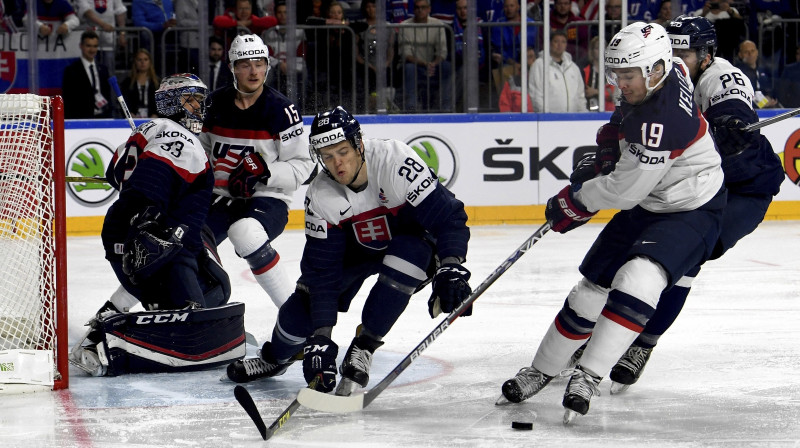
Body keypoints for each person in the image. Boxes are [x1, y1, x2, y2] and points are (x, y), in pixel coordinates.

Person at [498, 22, 727, 423]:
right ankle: (542, 369)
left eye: (628, 75)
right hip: (652, 196)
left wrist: (575, 201)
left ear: (654, 70)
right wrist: (607, 150)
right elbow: (622, 123)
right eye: (616, 74)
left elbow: (623, 193)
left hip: (691, 206)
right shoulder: (671, 67)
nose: (620, 83)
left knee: (638, 279)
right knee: (591, 290)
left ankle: (588, 375)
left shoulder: (661, 122)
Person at [225, 106, 472, 397]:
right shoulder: (320, 196)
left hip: (407, 242)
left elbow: (448, 218)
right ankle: (274, 358)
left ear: (359, 144)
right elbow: (323, 273)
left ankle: (364, 345)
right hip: (352, 254)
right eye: (327, 156)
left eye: (343, 151)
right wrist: (321, 338)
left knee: (410, 256)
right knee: (302, 310)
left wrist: (451, 266)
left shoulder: (396, 161)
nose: (337, 163)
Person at [603, 15, 785, 393]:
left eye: (685, 53)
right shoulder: (659, 76)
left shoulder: (723, 74)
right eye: (673, 51)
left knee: (685, 258)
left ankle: (642, 344)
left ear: (707, 55)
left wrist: (732, 125)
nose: (676, 59)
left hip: (743, 190)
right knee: (628, 252)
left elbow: (733, 105)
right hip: (694, 184)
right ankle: (598, 331)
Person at [69, 74, 240, 377]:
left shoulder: (146, 131)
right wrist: (148, 225)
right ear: (173, 102)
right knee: (214, 290)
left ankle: (98, 334)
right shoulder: (182, 139)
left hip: (125, 234)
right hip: (156, 235)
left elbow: (114, 174)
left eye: (200, 101)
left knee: (170, 298)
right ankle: (113, 342)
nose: (199, 108)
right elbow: (152, 183)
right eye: (192, 100)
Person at [199, 34, 316, 310]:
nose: (254, 71)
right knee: (178, 239)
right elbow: (201, 154)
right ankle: (117, 308)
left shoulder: (281, 110)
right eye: (245, 64)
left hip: (267, 199)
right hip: (218, 199)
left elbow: (305, 165)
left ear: (267, 66)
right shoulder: (213, 104)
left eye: (259, 63)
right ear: (232, 67)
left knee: (246, 232)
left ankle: (294, 321)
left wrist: (264, 172)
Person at [399, 0, 452, 112]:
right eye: (417, 7)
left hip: (434, 65)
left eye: (423, 7)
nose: (420, 10)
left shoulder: (438, 24)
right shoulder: (405, 25)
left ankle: (446, 106)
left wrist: (433, 64)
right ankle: (411, 106)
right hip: (415, 66)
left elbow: (442, 51)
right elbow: (406, 54)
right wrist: (425, 64)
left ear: (429, 9)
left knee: (446, 66)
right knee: (409, 68)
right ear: (413, 10)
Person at [529, 30, 587, 113]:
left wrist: (582, 115)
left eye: (563, 42)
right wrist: (545, 116)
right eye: (556, 41)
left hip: (573, 120)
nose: (560, 45)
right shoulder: (539, 65)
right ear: (549, 44)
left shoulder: (573, 67)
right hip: (549, 120)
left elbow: (580, 95)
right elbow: (536, 95)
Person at [490, 0, 538, 95]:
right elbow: (499, 50)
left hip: (529, 62)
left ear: (518, 7)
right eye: (506, 6)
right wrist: (514, 64)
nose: (509, 9)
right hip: (508, 64)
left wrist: (527, 62)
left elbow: (535, 46)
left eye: (512, 6)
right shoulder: (498, 25)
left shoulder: (531, 24)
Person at [62, 30, 112, 119]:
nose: (92, 50)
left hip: (102, 118)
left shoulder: (103, 69)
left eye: (95, 46)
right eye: (88, 46)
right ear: (81, 46)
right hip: (81, 119)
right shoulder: (71, 70)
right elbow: (69, 100)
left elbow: (107, 94)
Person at [263, 1, 307, 98]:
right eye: (280, 12)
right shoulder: (268, 33)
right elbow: (266, 55)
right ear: (275, 14)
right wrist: (280, 64)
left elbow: (301, 56)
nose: (282, 15)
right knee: (267, 74)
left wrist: (288, 65)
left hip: (294, 65)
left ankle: (301, 106)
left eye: (285, 12)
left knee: (303, 72)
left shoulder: (299, 32)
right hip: (274, 67)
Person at [75, 0, 127, 76]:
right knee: (90, 72)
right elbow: (86, 11)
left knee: (109, 73)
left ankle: (109, 88)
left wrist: (122, 33)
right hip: (89, 41)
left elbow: (120, 11)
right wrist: (103, 25)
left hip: (108, 41)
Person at [735, 40, 780, 109]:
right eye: (746, 52)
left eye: (752, 51)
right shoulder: (738, 73)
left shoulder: (763, 70)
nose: (750, 54)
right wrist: (763, 103)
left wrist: (770, 99)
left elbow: (771, 90)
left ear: (757, 52)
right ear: (740, 55)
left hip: (767, 111)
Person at [582, 36, 620, 111]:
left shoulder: (612, 71)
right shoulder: (585, 71)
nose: (600, 50)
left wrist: (596, 92)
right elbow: (584, 93)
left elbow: (613, 94)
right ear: (592, 51)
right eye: (597, 48)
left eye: (603, 47)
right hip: (589, 111)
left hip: (609, 111)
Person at [120, 49, 160, 119]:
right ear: (135, 62)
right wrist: (130, 114)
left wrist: (155, 115)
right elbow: (124, 102)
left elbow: (162, 103)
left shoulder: (157, 82)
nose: (142, 62)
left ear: (150, 62)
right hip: (133, 119)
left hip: (154, 120)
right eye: (139, 60)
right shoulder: (127, 82)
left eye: (145, 59)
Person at [498, 47, 534, 112]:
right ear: (521, 62)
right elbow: (505, 107)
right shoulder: (512, 83)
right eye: (530, 57)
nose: (534, 60)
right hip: (519, 120)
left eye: (535, 57)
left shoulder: (543, 79)